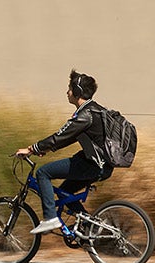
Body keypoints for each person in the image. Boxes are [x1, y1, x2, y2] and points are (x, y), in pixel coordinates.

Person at [15, 69, 114, 234]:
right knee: (65, 193)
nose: (66, 92)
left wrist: (32, 149)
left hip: (93, 165)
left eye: (69, 88)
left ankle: (50, 218)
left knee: (43, 173)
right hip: (101, 165)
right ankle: (91, 229)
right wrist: (45, 149)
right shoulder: (95, 110)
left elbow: (59, 136)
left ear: (77, 92)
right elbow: (68, 138)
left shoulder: (85, 114)